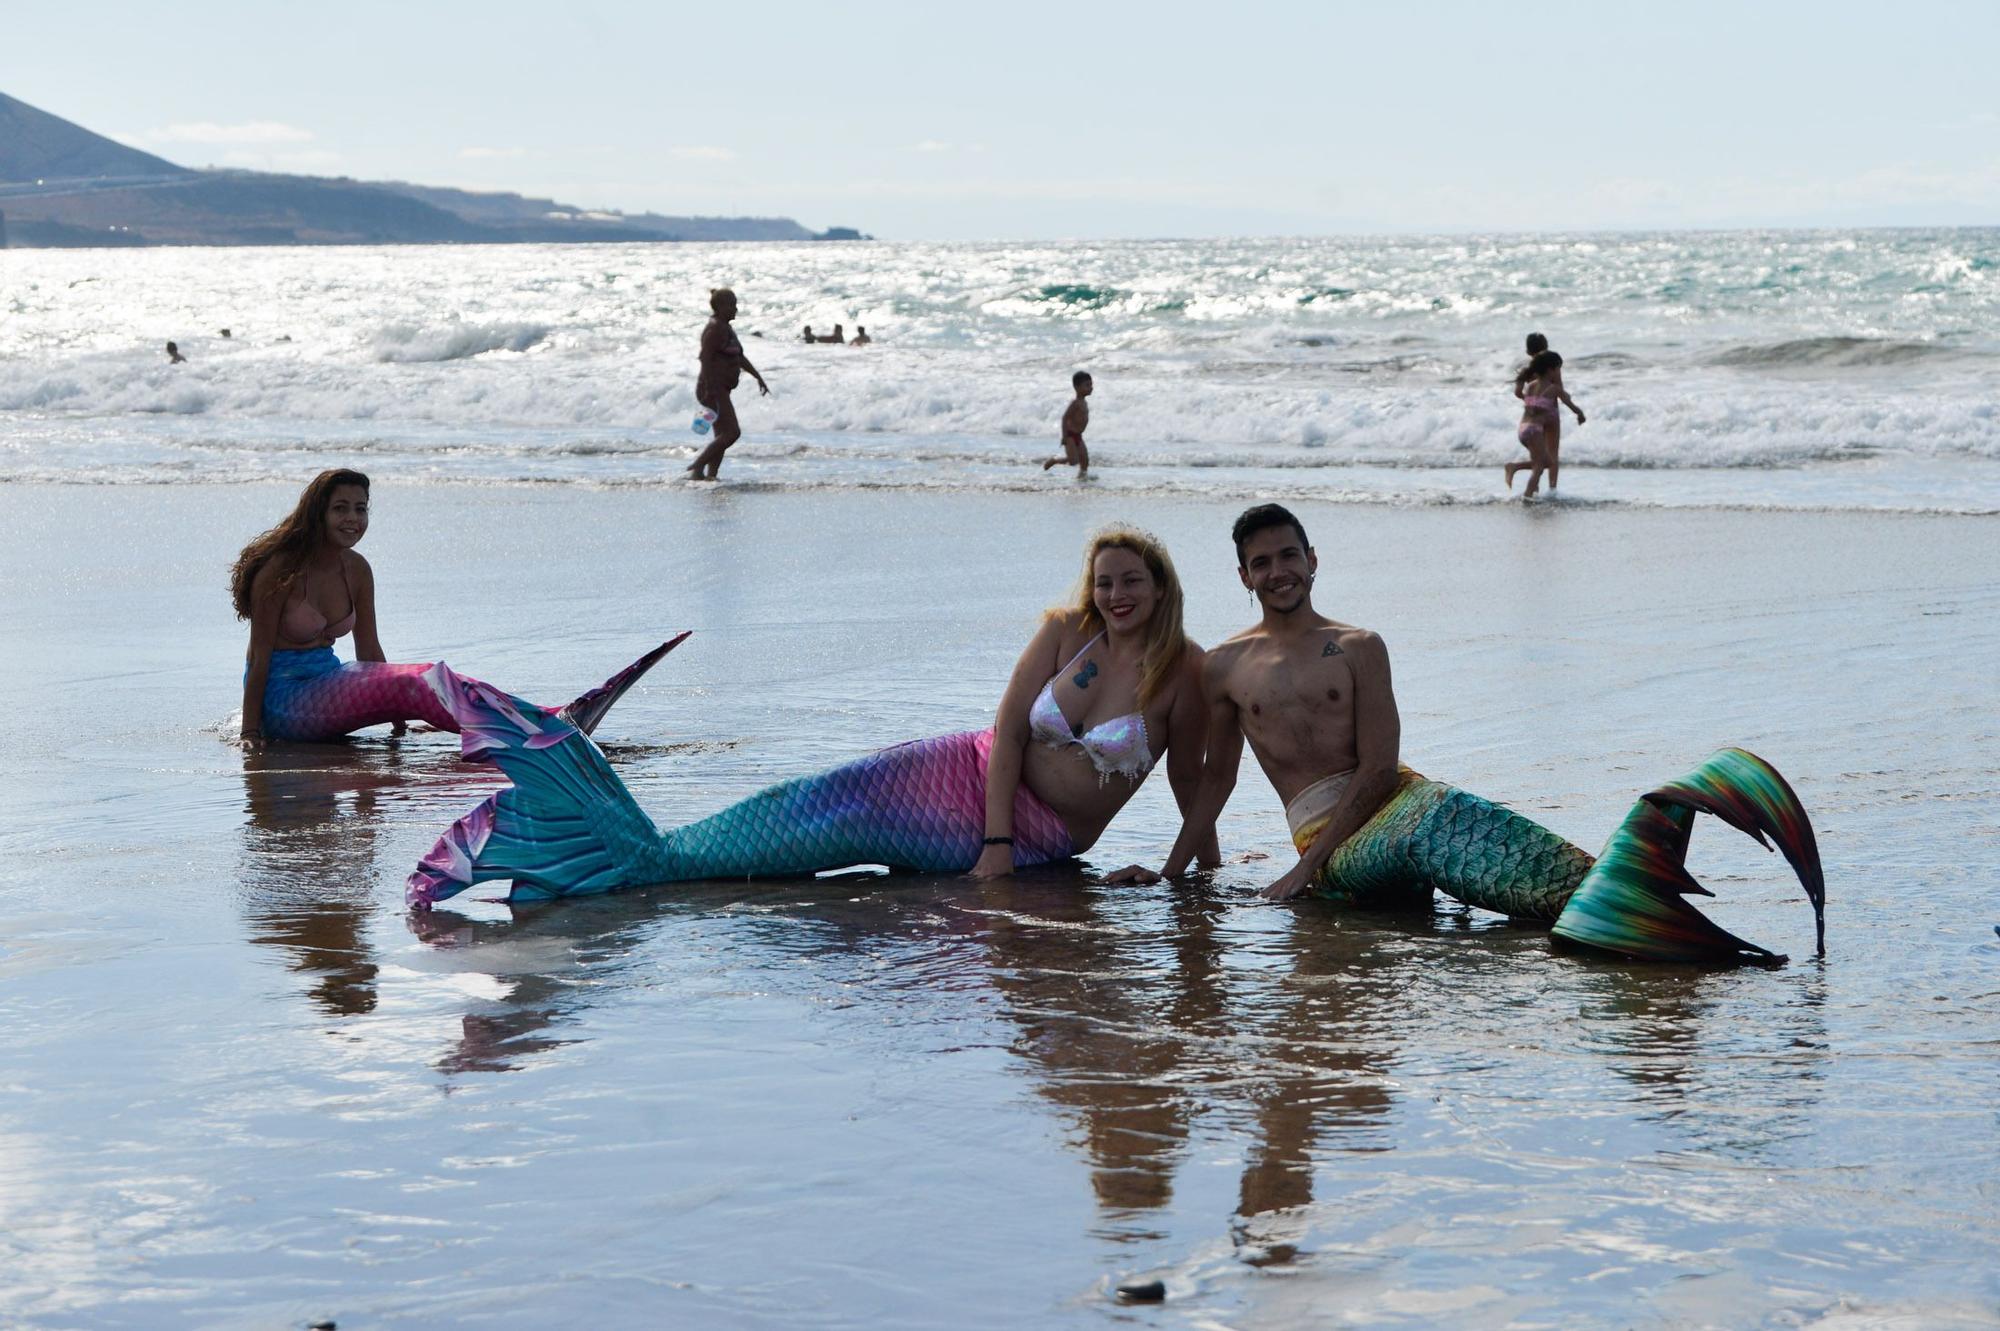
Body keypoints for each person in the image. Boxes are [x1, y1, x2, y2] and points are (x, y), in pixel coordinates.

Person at [1108, 504, 1827, 966]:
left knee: (1459, 817)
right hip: (1337, 840)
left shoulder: (1359, 645)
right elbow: (1216, 780)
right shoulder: (1227, 666)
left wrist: (1309, 866)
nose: (1278, 572)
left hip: (1394, 801)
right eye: (1261, 562)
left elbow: (1383, 767)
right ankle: (1624, 905)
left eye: (1288, 555)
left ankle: (1619, 889)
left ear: (1313, 559)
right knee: (1432, 828)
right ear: (1242, 575)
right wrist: (1180, 873)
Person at [406, 526, 1221, 905]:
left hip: (1052, 836)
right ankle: (630, 855)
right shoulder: (1065, 630)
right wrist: (995, 842)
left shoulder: (1183, 669)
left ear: (1162, 587)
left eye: (1132, 582)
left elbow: (1198, 781)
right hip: (967, 773)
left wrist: (1188, 867)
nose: (1117, 594)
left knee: (834, 845)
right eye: (1106, 579)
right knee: (816, 803)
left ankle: (625, 856)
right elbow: (1008, 729)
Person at [234, 469, 670, 748]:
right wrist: (251, 732)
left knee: (428, 677)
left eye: (361, 509)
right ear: (317, 514)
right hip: (283, 702)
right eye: (341, 509)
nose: (353, 519)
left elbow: (370, 654)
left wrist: (394, 716)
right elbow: (258, 655)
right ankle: (537, 733)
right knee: (412, 684)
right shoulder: (281, 571)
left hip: (328, 681)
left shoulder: (357, 569)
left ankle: (542, 719)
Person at [686, 288, 770, 480]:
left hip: (720, 388)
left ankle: (709, 475)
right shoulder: (714, 329)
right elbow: (705, 358)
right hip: (713, 388)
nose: (736, 309)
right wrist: (709, 388)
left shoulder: (725, 328)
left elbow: (739, 356)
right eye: (732, 305)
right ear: (721, 306)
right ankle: (698, 465)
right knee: (732, 432)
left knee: (722, 436)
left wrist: (758, 376)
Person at [1507, 337, 1583, 496]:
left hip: (1527, 422)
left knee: (1538, 457)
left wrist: (1533, 402)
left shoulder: (1528, 373)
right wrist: (1576, 410)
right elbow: (1561, 392)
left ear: (1528, 351)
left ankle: (1535, 489)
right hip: (1550, 413)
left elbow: (1518, 393)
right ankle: (1551, 490)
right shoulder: (1551, 368)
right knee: (1550, 455)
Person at [1043, 371, 1092, 475]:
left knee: (1085, 460)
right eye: (1087, 385)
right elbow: (1065, 418)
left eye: (1091, 384)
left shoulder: (1084, 402)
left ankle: (1082, 478)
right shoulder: (1075, 403)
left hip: (1079, 436)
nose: (1091, 387)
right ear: (1077, 387)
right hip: (1070, 436)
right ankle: (1054, 460)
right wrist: (1064, 436)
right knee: (1073, 461)